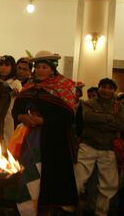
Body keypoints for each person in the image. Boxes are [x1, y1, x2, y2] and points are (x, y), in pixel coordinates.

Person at [12, 50, 78, 215]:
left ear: (52, 69)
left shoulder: (65, 86)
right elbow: (16, 110)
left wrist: (44, 121)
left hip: (53, 143)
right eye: (38, 67)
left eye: (44, 67)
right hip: (28, 141)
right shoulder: (28, 86)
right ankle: (25, 208)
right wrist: (22, 117)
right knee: (27, 175)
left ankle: (44, 210)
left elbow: (68, 117)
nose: (40, 70)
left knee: (48, 182)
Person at [75, 78, 124, 216]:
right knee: (78, 178)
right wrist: (109, 118)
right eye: (104, 87)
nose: (106, 90)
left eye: (110, 88)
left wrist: (99, 119)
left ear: (114, 90)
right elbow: (88, 118)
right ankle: (70, 208)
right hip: (88, 145)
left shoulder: (119, 107)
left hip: (108, 148)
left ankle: (101, 212)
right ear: (99, 88)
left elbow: (121, 124)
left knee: (109, 185)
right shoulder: (88, 103)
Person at [0, 55, 22, 148]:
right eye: (1, 65)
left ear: (12, 67)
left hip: (9, 117)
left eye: (7, 65)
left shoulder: (16, 82)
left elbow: (19, 97)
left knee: (7, 143)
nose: (3, 68)